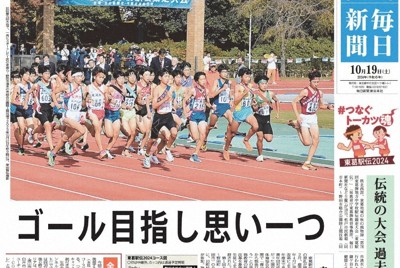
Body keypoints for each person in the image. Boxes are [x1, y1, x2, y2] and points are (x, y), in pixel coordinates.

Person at [289, 70, 334, 170]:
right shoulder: (305, 91)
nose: (316, 84)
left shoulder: (320, 93)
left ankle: (307, 162)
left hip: (313, 117)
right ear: (310, 81)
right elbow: (293, 102)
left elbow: (321, 105)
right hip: (304, 117)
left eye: (318, 82)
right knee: (307, 143)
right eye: (314, 82)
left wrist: (328, 107)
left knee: (316, 140)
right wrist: (298, 116)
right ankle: (297, 127)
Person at [47, 68, 88, 166]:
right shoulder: (67, 87)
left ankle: (52, 154)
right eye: (78, 76)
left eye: (81, 76)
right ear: (73, 77)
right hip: (67, 115)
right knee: (82, 131)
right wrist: (56, 103)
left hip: (76, 116)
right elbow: (53, 93)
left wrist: (86, 97)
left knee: (64, 138)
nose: (80, 78)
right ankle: (69, 144)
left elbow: (83, 105)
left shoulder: (82, 88)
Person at [143, 68, 177, 169]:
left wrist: (174, 104)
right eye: (165, 76)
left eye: (168, 76)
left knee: (174, 133)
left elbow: (173, 99)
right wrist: (165, 99)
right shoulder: (157, 89)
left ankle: (167, 149)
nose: (167, 78)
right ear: (160, 77)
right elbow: (154, 106)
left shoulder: (171, 88)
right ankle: (147, 156)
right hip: (159, 117)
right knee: (152, 140)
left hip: (168, 115)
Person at [242, 74, 280, 162]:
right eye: (262, 84)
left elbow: (277, 101)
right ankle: (260, 155)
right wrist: (258, 106)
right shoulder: (255, 95)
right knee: (260, 137)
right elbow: (253, 108)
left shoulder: (270, 93)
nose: (265, 85)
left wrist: (277, 113)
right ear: (258, 85)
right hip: (258, 118)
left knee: (269, 139)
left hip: (267, 119)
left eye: (266, 83)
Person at [223, 67, 259, 161]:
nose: (248, 78)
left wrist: (253, 102)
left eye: (249, 77)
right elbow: (235, 101)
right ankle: (226, 149)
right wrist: (244, 93)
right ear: (241, 77)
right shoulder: (238, 87)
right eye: (246, 76)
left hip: (248, 111)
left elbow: (251, 98)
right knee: (232, 133)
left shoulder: (250, 86)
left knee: (255, 126)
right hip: (239, 112)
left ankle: (246, 140)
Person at [184, 71, 213, 163]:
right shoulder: (193, 90)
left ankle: (195, 154)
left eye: (204, 79)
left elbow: (207, 103)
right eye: (201, 79)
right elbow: (184, 100)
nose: (204, 81)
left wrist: (211, 106)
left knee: (203, 135)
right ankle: (188, 126)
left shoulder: (206, 91)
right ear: (197, 81)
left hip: (201, 115)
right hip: (193, 115)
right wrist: (185, 112)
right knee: (196, 137)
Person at [204, 64, 233, 151]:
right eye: (223, 72)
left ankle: (226, 138)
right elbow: (212, 94)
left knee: (232, 122)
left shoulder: (229, 82)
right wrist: (222, 89)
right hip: (217, 106)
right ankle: (204, 139)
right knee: (211, 125)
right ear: (219, 73)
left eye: (226, 72)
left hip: (226, 106)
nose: (225, 73)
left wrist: (231, 99)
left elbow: (231, 92)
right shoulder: (217, 82)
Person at [120, 69, 138, 157]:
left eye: (134, 76)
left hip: (132, 112)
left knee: (133, 133)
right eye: (131, 76)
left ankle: (126, 149)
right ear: (127, 78)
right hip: (124, 112)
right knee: (129, 133)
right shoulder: (123, 87)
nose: (133, 78)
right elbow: (118, 99)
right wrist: (124, 105)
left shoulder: (137, 87)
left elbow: (138, 100)